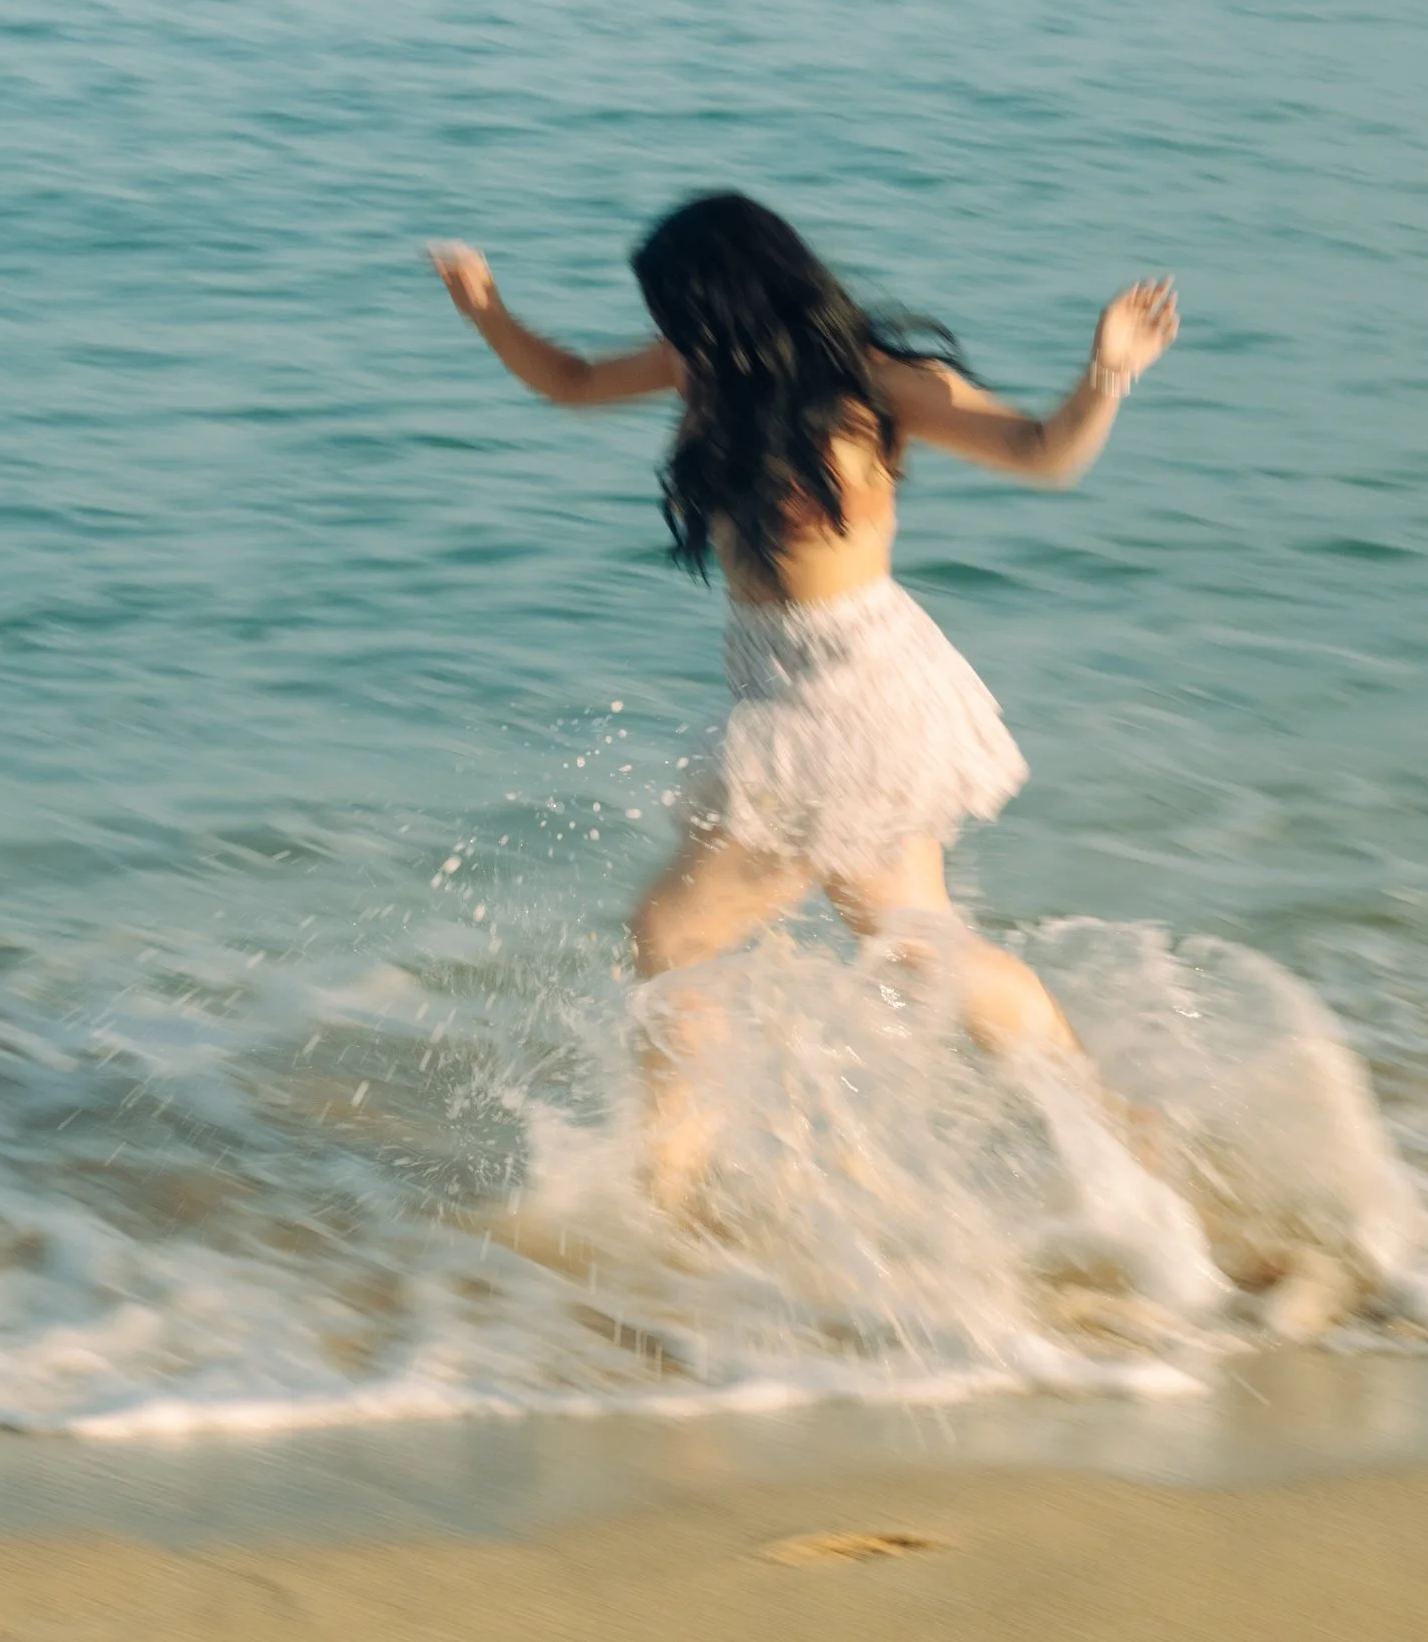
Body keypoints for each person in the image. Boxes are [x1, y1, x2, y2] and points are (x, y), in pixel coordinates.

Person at [428, 191, 1190, 1246]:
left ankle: (672, 1187)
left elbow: (1041, 452)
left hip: (850, 698)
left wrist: (1104, 375)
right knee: (916, 941)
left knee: (676, 931)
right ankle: (1108, 1119)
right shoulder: (708, 368)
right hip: (793, 692)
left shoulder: (876, 384)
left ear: (732, 298)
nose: (671, 334)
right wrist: (487, 312)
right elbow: (567, 382)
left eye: (682, 310)